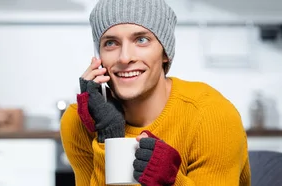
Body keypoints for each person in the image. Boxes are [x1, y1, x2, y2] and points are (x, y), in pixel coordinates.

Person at [59, 0, 251, 185]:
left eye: (141, 40)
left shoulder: (211, 115)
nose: (125, 57)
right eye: (110, 43)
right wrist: (110, 136)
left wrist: (170, 182)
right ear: (99, 57)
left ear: (165, 53)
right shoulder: (79, 123)